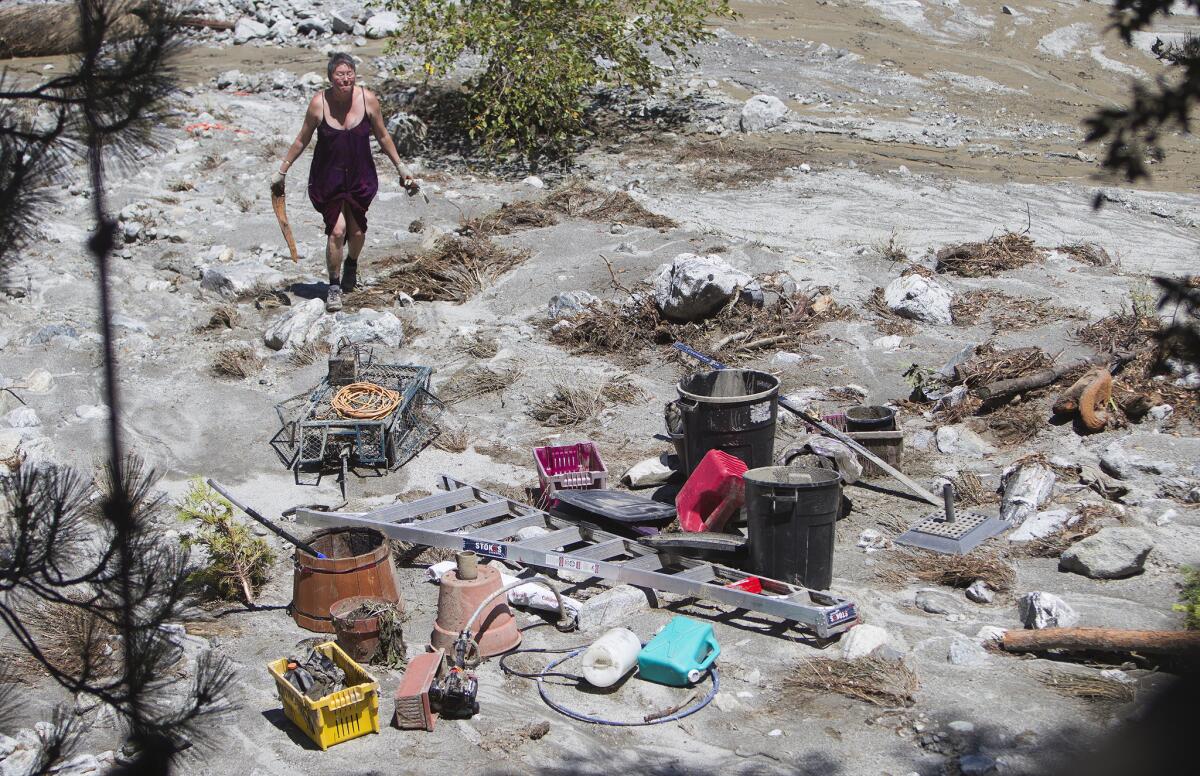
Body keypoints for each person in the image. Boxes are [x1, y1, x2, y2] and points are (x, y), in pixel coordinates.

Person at [272, 52, 419, 312]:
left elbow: (383, 137)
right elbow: (301, 139)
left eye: (349, 73)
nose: (346, 78)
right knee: (337, 230)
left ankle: (351, 263)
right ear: (330, 78)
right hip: (328, 177)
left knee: (358, 233)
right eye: (340, 74)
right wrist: (282, 171)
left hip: (360, 176)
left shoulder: (368, 99)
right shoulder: (319, 103)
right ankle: (334, 287)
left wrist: (401, 167)